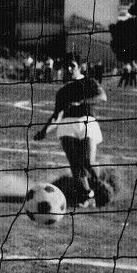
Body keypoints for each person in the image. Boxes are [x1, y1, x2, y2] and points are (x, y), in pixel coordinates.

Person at [34, 53, 109, 208]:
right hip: (67, 126)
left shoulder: (89, 82)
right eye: (66, 66)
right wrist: (44, 131)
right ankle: (86, 195)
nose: (68, 69)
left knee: (88, 161)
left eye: (72, 66)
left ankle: (100, 186)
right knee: (75, 165)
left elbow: (102, 97)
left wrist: (81, 102)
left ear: (80, 67)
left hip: (87, 123)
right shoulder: (62, 91)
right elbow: (56, 115)